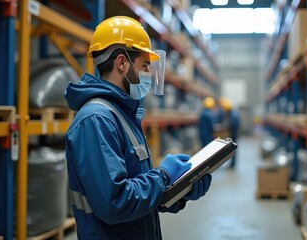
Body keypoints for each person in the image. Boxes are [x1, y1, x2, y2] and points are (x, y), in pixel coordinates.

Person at [64, 16, 212, 239]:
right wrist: (163, 176)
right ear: (122, 63)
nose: (148, 74)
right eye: (144, 66)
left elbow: (138, 193)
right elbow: (115, 202)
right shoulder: (97, 120)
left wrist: (178, 190)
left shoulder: (122, 114)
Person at [219, 97, 240, 168]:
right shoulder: (231, 113)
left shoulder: (233, 115)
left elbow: (233, 124)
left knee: (233, 149)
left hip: (233, 134)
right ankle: (232, 164)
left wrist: (226, 125)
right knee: (231, 149)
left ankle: (232, 164)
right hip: (232, 134)